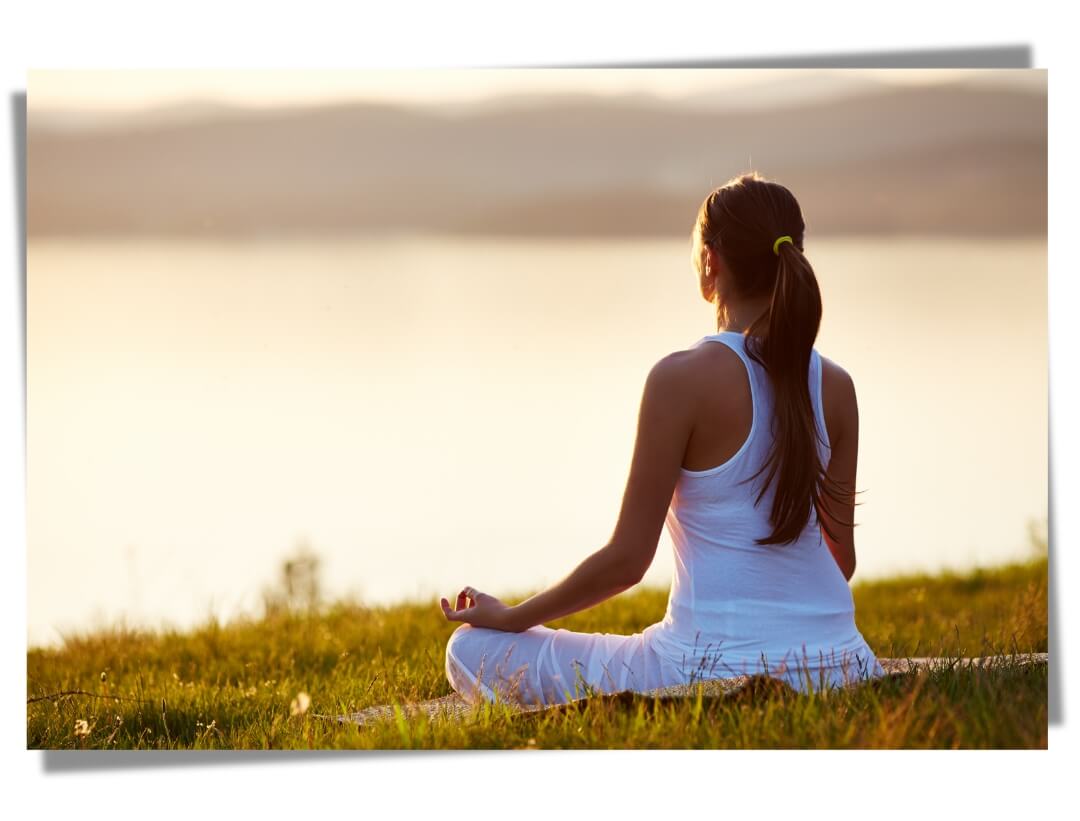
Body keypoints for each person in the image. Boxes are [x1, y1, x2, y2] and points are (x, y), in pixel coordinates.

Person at [440, 171, 886, 707]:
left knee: (469, 650)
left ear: (710, 263)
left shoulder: (680, 380)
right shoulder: (835, 385)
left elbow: (628, 561)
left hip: (701, 668)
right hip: (845, 662)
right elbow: (842, 562)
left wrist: (512, 617)